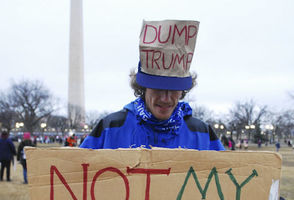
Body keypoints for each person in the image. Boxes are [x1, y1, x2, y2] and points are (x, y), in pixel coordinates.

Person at [80, 20, 224, 151]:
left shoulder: (202, 133)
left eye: (174, 89)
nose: (166, 98)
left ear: (182, 91)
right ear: (143, 88)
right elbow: (75, 173)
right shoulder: (110, 128)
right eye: (158, 88)